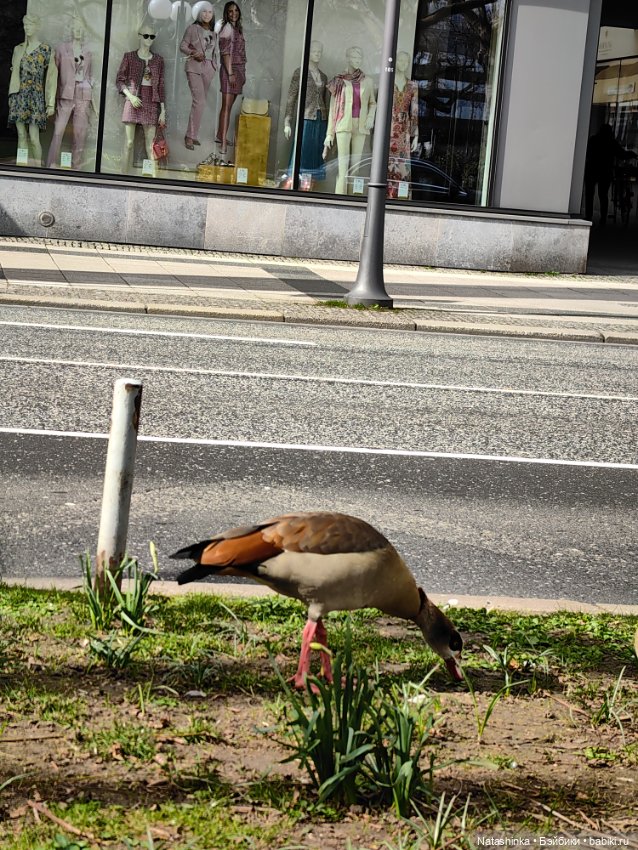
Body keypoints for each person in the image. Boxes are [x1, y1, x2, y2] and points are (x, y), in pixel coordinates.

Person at [323, 46, 376, 195]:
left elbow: (373, 103)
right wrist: (329, 134)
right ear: (347, 58)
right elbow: (333, 109)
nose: (357, 61)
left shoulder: (368, 81)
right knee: (342, 166)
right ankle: (340, 198)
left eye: (360, 58)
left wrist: (371, 117)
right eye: (354, 57)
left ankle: (354, 199)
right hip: (343, 125)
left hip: (361, 126)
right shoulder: (339, 81)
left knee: (356, 167)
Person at [46, 14, 95, 170]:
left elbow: (90, 74)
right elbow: (54, 74)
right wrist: (51, 99)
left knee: (79, 134)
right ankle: (51, 164)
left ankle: (76, 167)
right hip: (66, 94)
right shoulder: (61, 48)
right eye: (75, 27)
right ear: (71, 30)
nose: (78, 30)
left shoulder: (88, 51)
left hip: (82, 94)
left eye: (81, 28)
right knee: (59, 129)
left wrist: (89, 85)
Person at [8, 14, 57, 167]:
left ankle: (38, 169)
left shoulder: (46, 50)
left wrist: (50, 103)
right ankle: (21, 168)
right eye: (25, 25)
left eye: (30, 25)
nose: (27, 28)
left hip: (36, 97)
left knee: (34, 138)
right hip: (19, 96)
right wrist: (10, 96)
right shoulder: (18, 49)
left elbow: (51, 78)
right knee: (21, 135)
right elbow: (14, 74)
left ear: (37, 27)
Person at [116, 27, 166, 175]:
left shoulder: (158, 60)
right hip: (133, 99)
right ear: (139, 37)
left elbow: (161, 86)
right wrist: (130, 96)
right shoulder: (129, 57)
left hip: (151, 100)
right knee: (129, 143)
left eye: (152, 36)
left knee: (150, 146)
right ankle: (121, 177)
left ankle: (154, 182)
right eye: (146, 36)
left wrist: (163, 111)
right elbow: (119, 80)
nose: (149, 39)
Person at [202, 1, 245, 166]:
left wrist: (241, 73)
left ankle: (221, 134)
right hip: (230, 71)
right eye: (230, 11)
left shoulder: (237, 29)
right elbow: (225, 53)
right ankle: (223, 143)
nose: (234, 13)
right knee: (226, 106)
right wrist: (231, 73)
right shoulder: (226, 28)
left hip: (238, 70)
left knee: (229, 105)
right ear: (226, 13)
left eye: (236, 10)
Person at [283, 40, 328, 185]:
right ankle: (293, 185)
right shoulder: (300, 72)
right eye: (314, 51)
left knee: (316, 153)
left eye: (319, 52)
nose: (317, 54)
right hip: (306, 119)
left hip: (321, 119)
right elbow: (291, 98)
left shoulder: (323, 76)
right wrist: (287, 122)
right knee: (301, 152)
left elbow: (324, 100)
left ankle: (310, 187)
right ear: (308, 53)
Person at [180, 0, 217, 150]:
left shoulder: (215, 32)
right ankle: (189, 136)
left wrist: (215, 66)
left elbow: (215, 52)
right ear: (199, 13)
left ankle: (193, 135)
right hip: (194, 67)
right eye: (204, 11)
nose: (207, 14)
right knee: (199, 102)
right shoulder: (192, 28)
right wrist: (193, 53)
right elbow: (182, 45)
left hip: (209, 69)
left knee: (201, 104)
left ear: (213, 14)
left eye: (209, 12)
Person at [584, 123, 637, 225]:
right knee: (603, 195)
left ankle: (588, 216)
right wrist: (631, 154)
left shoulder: (593, 140)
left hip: (592, 170)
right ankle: (603, 218)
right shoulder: (611, 142)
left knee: (589, 194)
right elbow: (622, 154)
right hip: (605, 171)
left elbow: (586, 153)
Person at [387, 51, 418, 199]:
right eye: (400, 60)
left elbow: (415, 111)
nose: (403, 64)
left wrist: (415, 135)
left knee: (403, 165)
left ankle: (401, 198)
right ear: (396, 61)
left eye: (406, 61)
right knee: (386, 164)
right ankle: (385, 197)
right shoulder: (387, 81)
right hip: (389, 128)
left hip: (404, 131)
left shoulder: (412, 86)